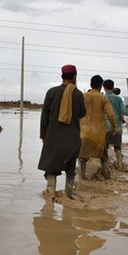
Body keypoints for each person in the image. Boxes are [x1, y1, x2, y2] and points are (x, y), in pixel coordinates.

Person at [38, 64, 86, 200]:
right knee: (70, 169)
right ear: (75, 77)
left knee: (51, 168)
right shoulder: (77, 94)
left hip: (52, 137)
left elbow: (44, 116)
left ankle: (50, 195)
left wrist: (44, 136)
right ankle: (68, 195)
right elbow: (82, 113)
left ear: (62, 76)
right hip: (72, 139)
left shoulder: (51, 92)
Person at [78, 75, 117, 180]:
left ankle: (82, 178)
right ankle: (107, 176)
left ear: (90, 84)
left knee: (82, 157)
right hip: (98, 134)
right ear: (101, 86)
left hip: (84, 132)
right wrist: (114, 127)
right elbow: (111, 114)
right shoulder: (102, 98)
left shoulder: (83, 96)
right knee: (103, 156)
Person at [103, 79, 128, 170]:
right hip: (117, 127)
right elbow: (124, 111)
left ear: (104, 87)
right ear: (113, 87)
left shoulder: (102, 98)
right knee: (117, 148)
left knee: (105, 148)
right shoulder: (118, 99)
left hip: (105, 127)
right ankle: (120, 165)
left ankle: (105, 168)